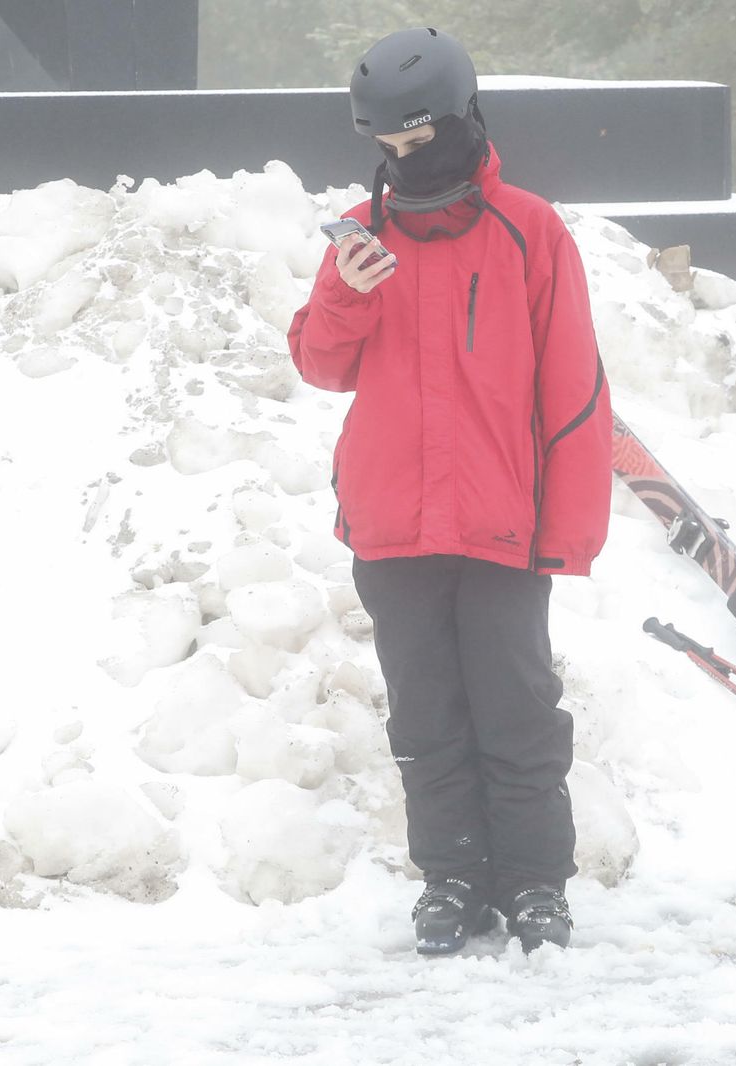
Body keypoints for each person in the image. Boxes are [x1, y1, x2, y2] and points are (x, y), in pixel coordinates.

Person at [286, 27, 612, 955]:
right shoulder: (361, 234)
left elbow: (575, 390)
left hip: (503, 523)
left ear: (464, 119)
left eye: (417, 144)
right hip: (392, 524)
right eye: (385, 148)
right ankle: (455, 879)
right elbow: (319, 365)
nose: (401, 162)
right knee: (425, 718)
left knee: (517, 713)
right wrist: (345, 294)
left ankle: (536, 883)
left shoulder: (530, 230)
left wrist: (568, 532)